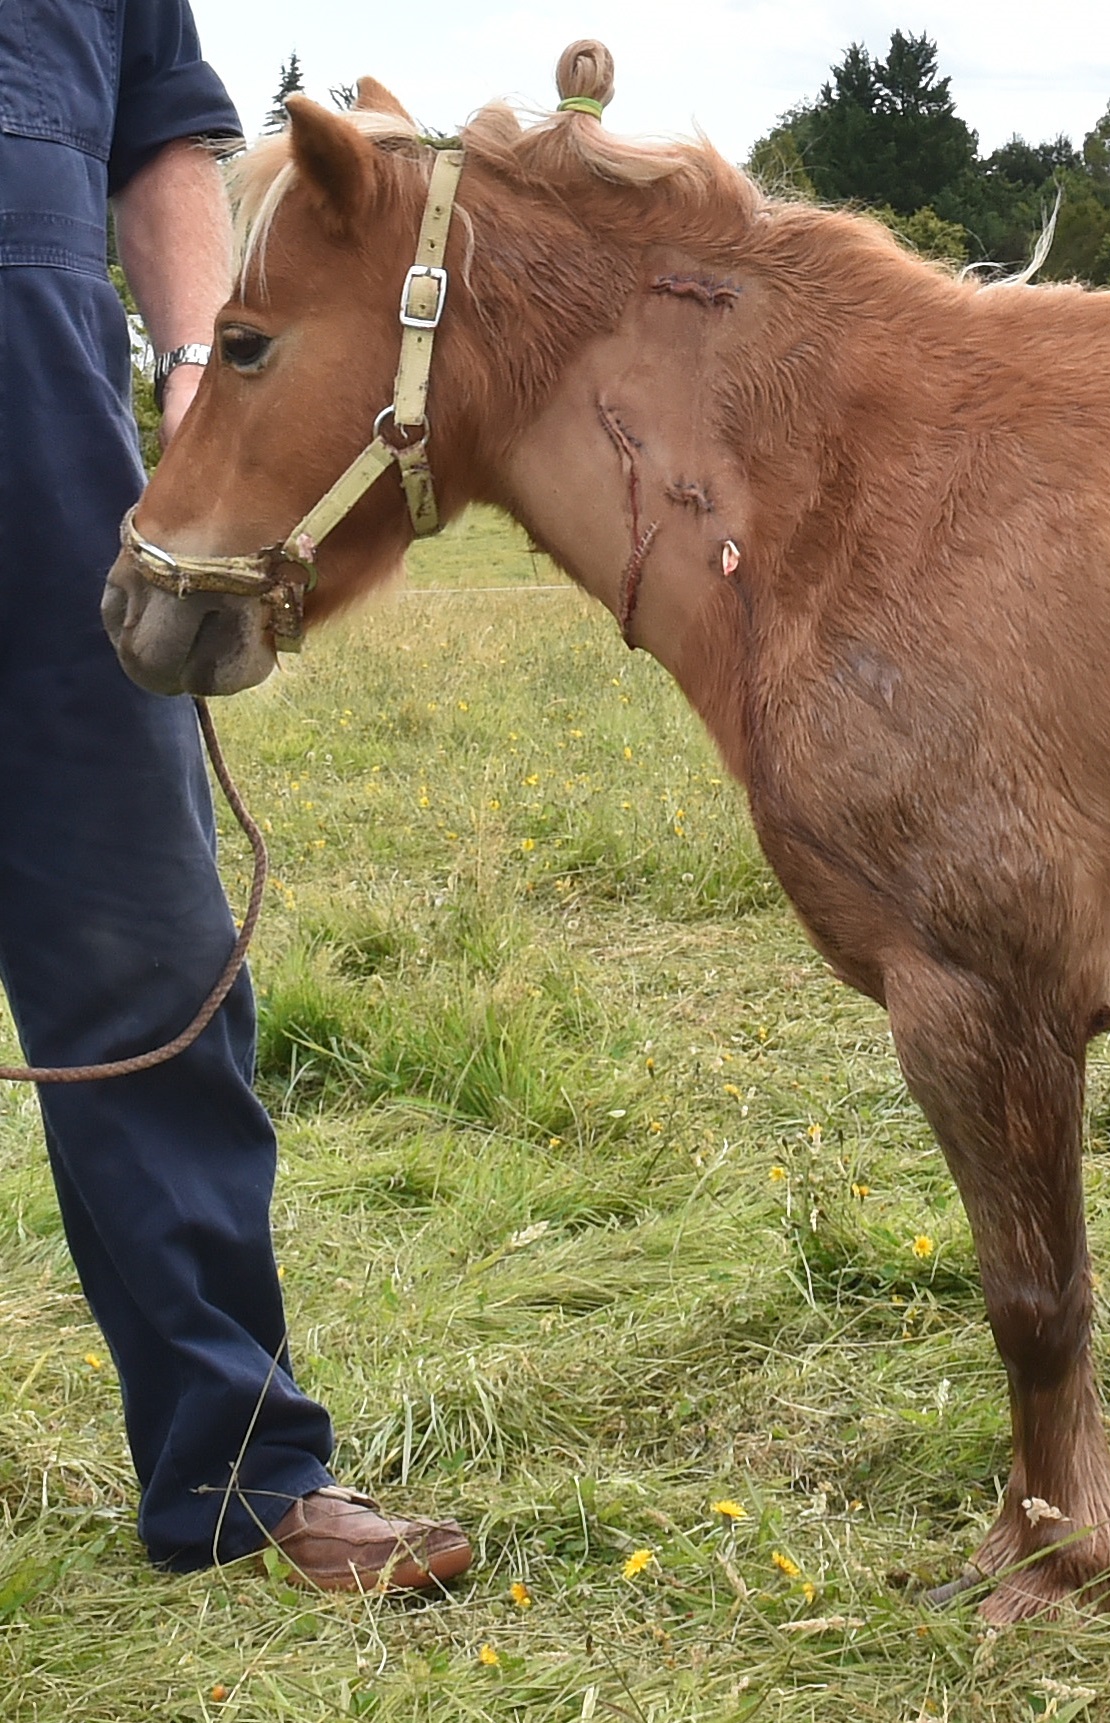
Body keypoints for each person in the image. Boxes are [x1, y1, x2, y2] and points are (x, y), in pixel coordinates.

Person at [0, 0, 470, 1588]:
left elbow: (158, 137)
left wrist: (198, 363)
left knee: (154, 971)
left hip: (55, 478)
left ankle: (239, 1478)